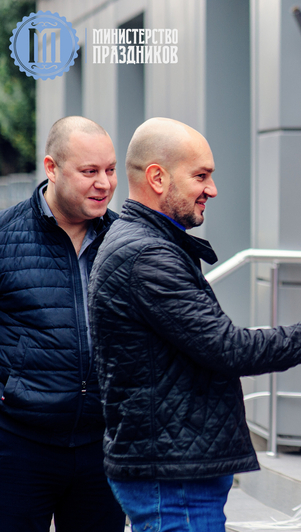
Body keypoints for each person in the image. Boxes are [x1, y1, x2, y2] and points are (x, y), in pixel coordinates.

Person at [88, 117, 301, 531]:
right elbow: (230, 348)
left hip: (174, 465)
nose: (212, 189)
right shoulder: (146, 255)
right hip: (174, 473)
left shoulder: (146, 244)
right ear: (157, 178)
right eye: (201, 175)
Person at [0, 116, 125, 532]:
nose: (104, 183)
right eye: (89, 172)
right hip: (19, 447)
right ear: (51, 168)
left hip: (103, 448)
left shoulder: (126, 241)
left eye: (109, 170)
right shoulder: (5, 237)